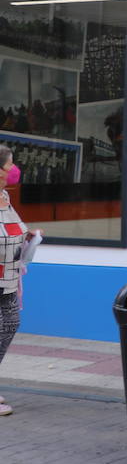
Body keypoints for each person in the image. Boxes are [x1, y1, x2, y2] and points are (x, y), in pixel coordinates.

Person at [0, 146, 38, 417]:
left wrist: (27, 237)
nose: (14, 171)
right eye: (10, 165)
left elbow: (10, 229)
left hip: (9, 276)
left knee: (11, 323)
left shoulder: (4, 196)